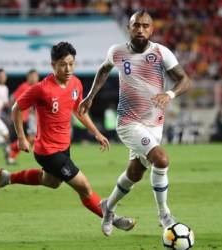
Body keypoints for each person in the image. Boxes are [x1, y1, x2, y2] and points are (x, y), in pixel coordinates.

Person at [0, 42, 135, 232]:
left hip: (63, 147)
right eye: (63, 65)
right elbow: (17, 108)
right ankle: (112, 219)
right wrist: (22, 138)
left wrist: (96, 132)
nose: (68, 69)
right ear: (53, 65)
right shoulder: (42, 89)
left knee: (51, 182)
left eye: (71, 64)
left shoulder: (75, 83)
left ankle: (8, 178)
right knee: (84, 187)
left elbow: (78, 110)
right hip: (48, 151)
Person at [79, 11, 192, 236]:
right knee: (161, 159)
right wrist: (90, 96)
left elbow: (185, 80)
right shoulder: (117, 51)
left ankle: (107, 207)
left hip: (154, 123)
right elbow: (103, 70)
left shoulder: (161, 52)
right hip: (128, 122)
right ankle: (164, 214)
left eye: (145, 25)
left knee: (135, 173)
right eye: (136, 25)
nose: (140, 29)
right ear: (129, 28)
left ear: (152, 29)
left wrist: (169, 94)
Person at [5, 69, 39, 165]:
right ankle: (11, 149)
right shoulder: (24, 87)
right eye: (33, 76)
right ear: (28, 77)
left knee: (27, 139)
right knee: (29, 138)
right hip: (22, 118)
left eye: (36, 76)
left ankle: (11, 156)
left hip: (26, 118)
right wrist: (13, 112)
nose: (35, 78)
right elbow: (13, 98)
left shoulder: (34, 87)